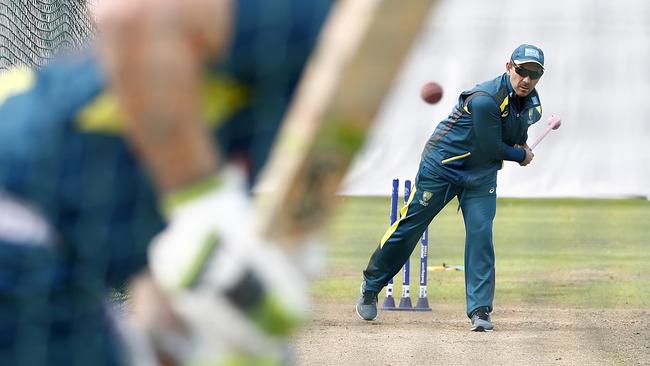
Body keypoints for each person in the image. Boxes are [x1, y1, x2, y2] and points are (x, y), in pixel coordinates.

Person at [0, 0, 331, 364]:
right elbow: (132, 14)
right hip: (22, 214)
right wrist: (204, 201)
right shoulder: (322, 18)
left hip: (50, 249)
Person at [356, 44, 545, 332]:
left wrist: (520, 148)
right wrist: (521, 155)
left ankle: (480, 310)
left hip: (480, 176)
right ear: (509, 67)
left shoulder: (531, 104)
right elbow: (491, 145)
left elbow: (511, 138)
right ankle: (371, 286)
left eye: (534, 74)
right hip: (443, 166)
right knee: (410, 229)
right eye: (522, 71)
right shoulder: (485, 99)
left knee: (481, 235)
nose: (526, 80)